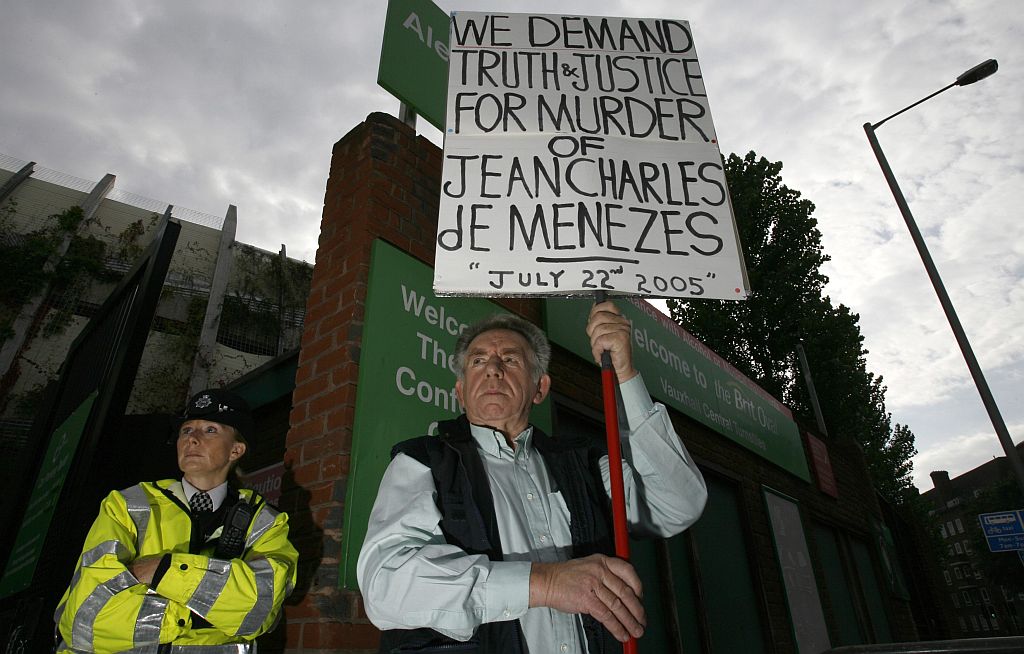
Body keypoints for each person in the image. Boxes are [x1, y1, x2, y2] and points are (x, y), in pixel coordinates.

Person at [358, 302, 707, 654]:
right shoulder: (422, 462)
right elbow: (384, 583)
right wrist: (546, 584)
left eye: (510, 359)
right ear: (460, 392)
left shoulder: (583, 464)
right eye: (478, 361)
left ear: (540, 387)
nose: (493, 369)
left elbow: (677, 504)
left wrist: (625, 373)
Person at [54, 388, 298, 653]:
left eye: (210, 430)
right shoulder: (127, 504)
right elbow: (87, 615)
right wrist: (209, 609)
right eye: (186, 430)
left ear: (236, 450)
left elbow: (260, 609)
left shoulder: (265, 522)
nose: (192, 438)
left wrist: (161, 570)